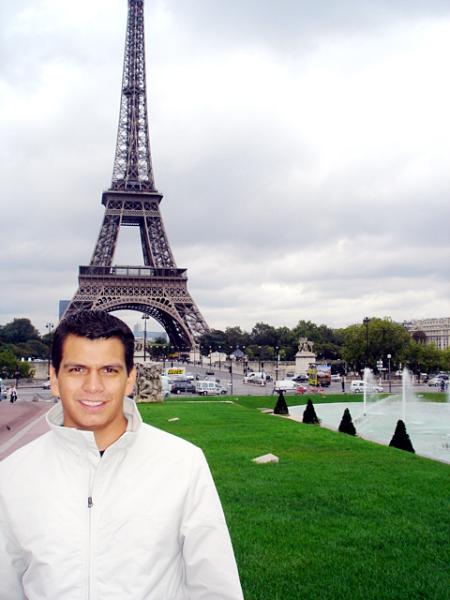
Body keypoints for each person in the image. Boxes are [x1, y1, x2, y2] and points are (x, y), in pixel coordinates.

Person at [0, 310, 244, 600]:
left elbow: (215, 589)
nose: (94, 386)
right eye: (77, 369)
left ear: (130, 379)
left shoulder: (184, 465)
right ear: (54, 378)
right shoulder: (12, 475)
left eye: (109, 370)